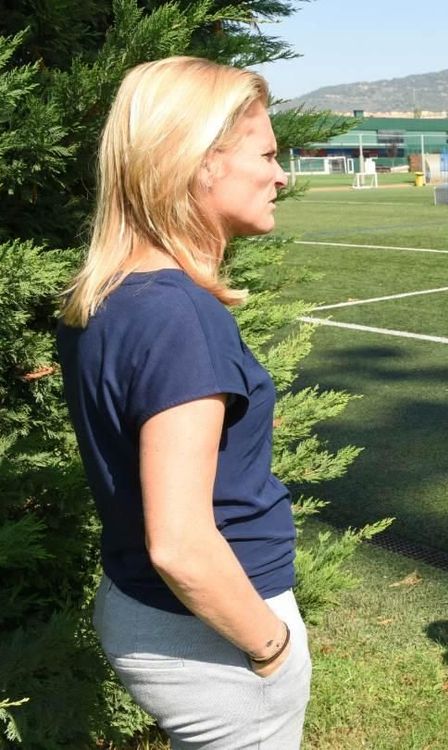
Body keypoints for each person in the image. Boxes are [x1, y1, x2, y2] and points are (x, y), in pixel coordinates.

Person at [57, 56, 310, 746]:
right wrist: (271, 648)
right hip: (211, 634)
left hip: (149, 611)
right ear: (200, 162)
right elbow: (181, 545)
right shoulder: (179, 316)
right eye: (266, 154)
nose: (281, 176)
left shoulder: (108, 296)